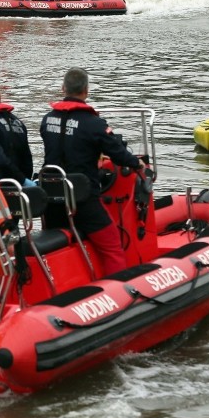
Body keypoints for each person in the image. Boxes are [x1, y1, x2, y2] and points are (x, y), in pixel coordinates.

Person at [40, 67, 145, 278]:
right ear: (86, 91)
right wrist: (137, 164)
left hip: (51, 197)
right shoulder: (94, 124)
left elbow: (62, 149)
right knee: (112, 245)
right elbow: (118, 154)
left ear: (63, 88)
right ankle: (117, 293)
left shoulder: (47, 120)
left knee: (58, 247)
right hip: (81, 198)